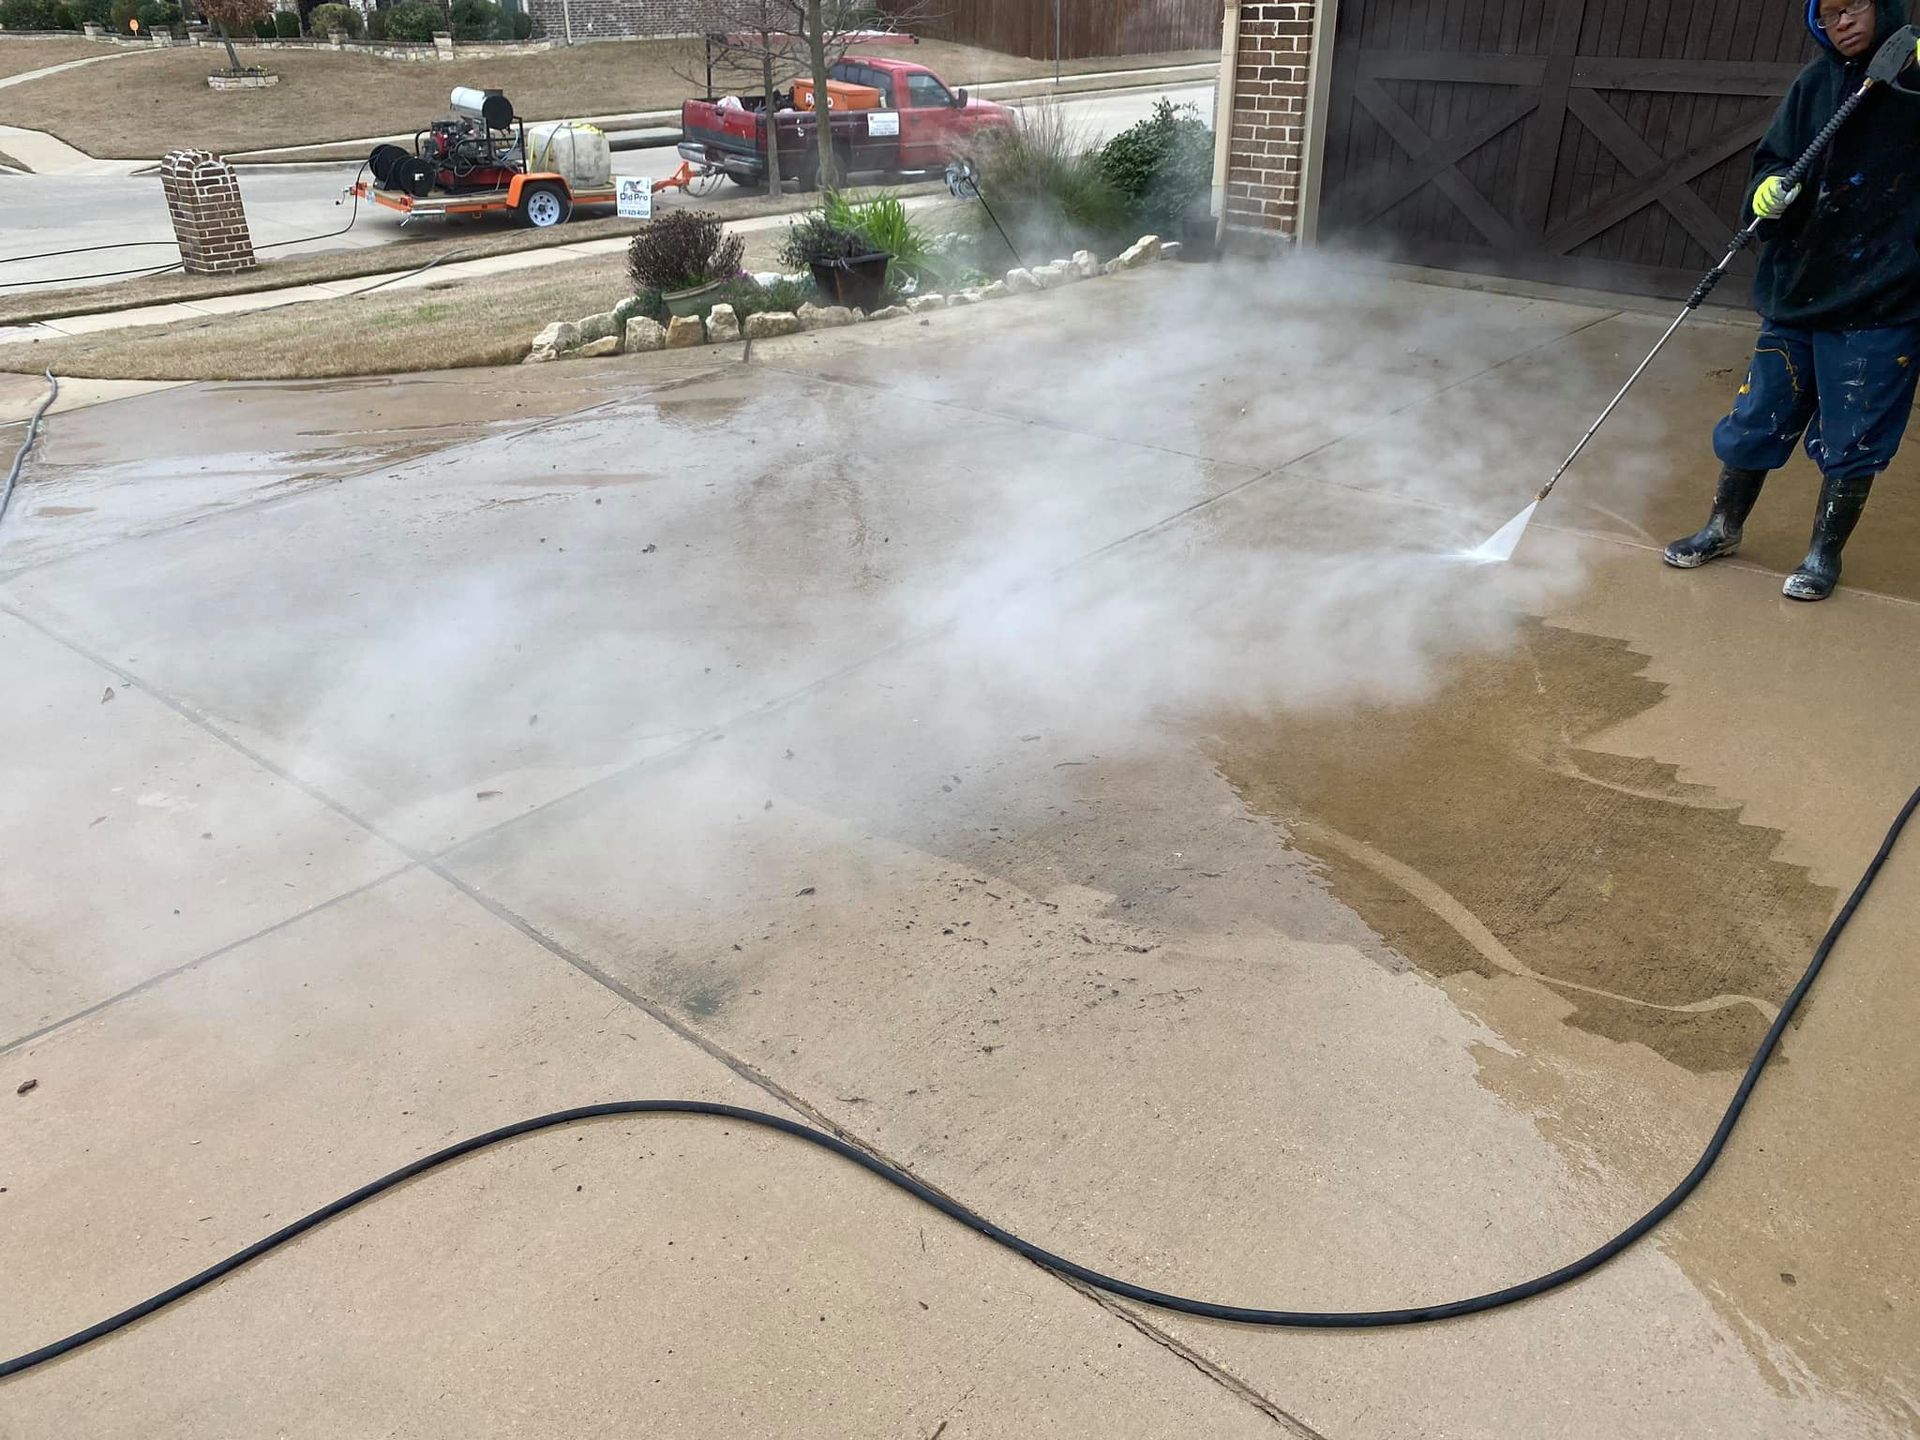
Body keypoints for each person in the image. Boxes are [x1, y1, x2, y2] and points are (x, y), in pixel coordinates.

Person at [1665, 0, 1920, 600]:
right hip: (1799, 288)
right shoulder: (1814, 83)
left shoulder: (1913, 77)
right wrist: (1766, 192)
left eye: (1854, 6)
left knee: (1853, 434)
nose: (1843, 23)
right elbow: (1774, 158)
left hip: (1881, 297)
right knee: (1758, 417)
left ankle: (1822, 555)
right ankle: (1723, 526)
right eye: (1828, 14)